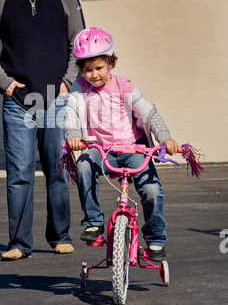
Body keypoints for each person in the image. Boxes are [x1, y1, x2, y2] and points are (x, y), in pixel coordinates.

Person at [0, 0, 85, 260]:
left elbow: (79, 42)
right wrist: (4, 82)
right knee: (20, 174)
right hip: (18, 101)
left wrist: (67, 82)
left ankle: (60, 236)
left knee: (56, 169)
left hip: (55, 97)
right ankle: (19, 243)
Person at [65, 27, 180, 261]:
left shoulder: (123, 86)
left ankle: (156, 240)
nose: (93, 74)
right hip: (100, 150)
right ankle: (93, 223)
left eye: (98, 68)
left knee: (151, 190)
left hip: (133, 148)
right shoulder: (80, 87)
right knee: (84, 166)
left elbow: (148, 113)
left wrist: (165, 137)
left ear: (110, 62)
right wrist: (74, 135)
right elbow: (71, 113)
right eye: (87, 70)